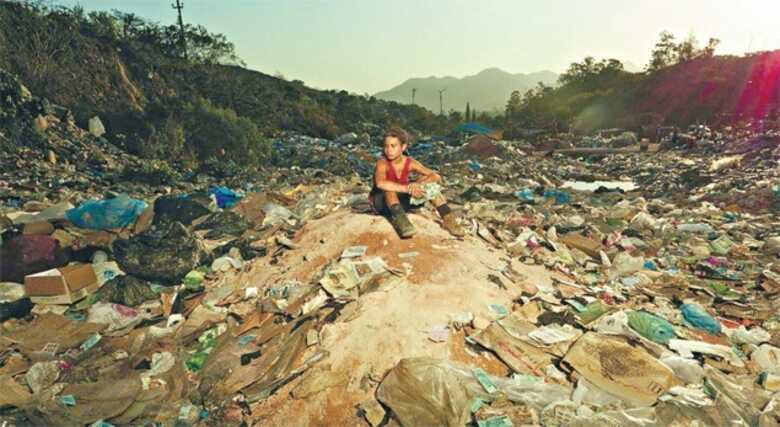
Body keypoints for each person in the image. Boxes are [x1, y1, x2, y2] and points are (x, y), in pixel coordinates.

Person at [369, 127, 465, 238]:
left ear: (403, 147)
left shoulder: (410, 162)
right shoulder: (382, 163)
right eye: (386, 146)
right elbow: (380, 183)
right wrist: (408, 188)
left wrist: (418, 185)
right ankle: (403, 224)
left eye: (393, 146)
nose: (389, 150)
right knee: (389, 190)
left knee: (431, 188)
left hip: (401, 202)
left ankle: (449, 220)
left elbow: (435, 176)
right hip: (382, 204)